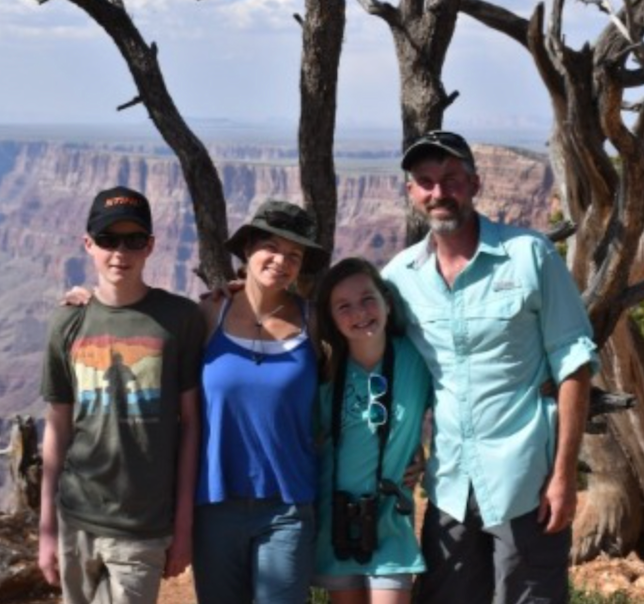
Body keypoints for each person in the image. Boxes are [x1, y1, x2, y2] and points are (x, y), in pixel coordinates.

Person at [381, 130, 599, 604]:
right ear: (411, 192)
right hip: (450, 486)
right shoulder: (399, 278)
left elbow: (574, 362)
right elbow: (379, 359)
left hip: (527, 482)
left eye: (452, 179)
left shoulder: (529, 256)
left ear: (475, 184)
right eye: (426, 181)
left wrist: (564, 476)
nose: (440, 192)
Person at [38, 186, 204, 604]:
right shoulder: (67, 322)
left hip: (142, 527)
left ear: (150, 246)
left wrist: (182, 527)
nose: (120, 253)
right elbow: (57, 427)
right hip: (76, 518)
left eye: (133, 241)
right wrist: (47, 528)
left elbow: (191, 427)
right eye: (109, 240)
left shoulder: (178, 318)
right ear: (88, 244)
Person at [192, 199, 330, 604]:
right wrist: (89, 299)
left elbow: (351, 394)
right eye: (271, 247)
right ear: (248, 249)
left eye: (294, 255)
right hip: (215, 503)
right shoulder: (207, 314)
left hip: (287, 506)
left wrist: (404, 451)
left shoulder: (315, 321)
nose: (281, 261)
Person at [312, 257, 432, 604]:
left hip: (390, 520)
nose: (360, 313)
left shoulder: (416, 359)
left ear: (387, 303)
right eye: (343, 306)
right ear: (332, 318)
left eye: (368, 299)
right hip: (336, 520)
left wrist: (422, 454)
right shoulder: (325, 369)